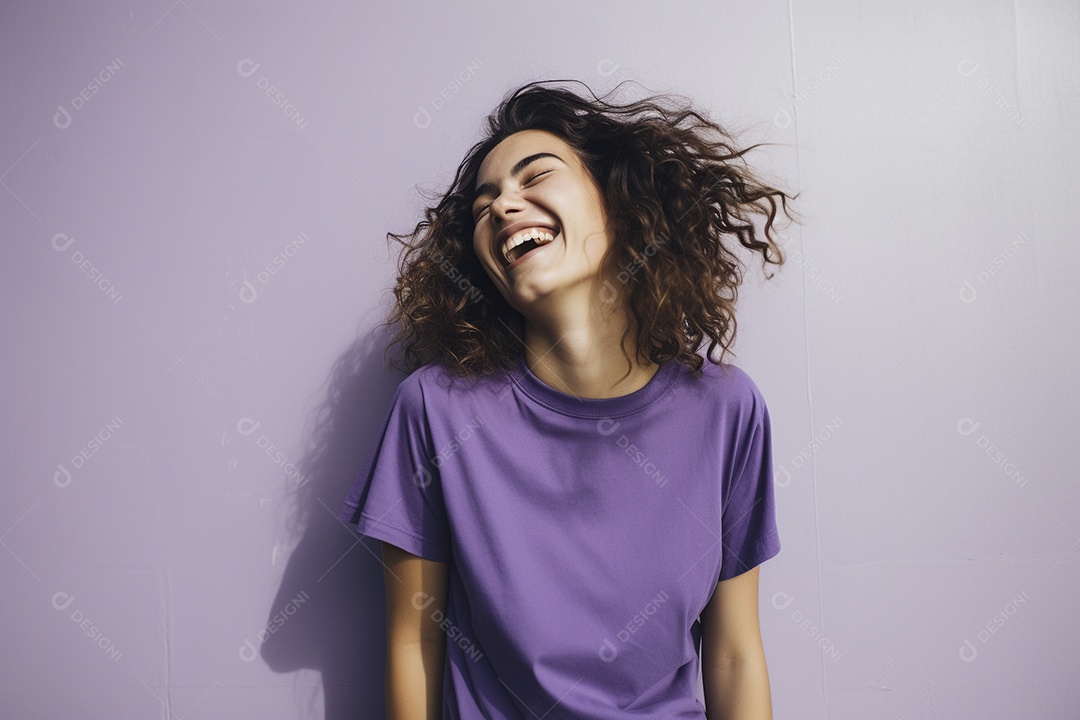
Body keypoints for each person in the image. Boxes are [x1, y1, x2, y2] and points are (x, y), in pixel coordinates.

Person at [338, 78, 800, 719]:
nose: (503, 207)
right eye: (484, 205)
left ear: (618, 200)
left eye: (535, 177)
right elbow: (412, 641)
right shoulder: (436, 410)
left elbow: (735, 655)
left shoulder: (727, 409)